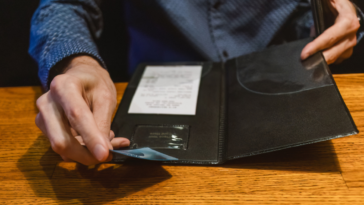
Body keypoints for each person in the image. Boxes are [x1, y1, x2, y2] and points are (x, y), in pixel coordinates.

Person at [29, 0, 360, 165]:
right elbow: (63, 6)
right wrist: (76, 62)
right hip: (154, 93)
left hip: (288, 86)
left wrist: (351, 14)